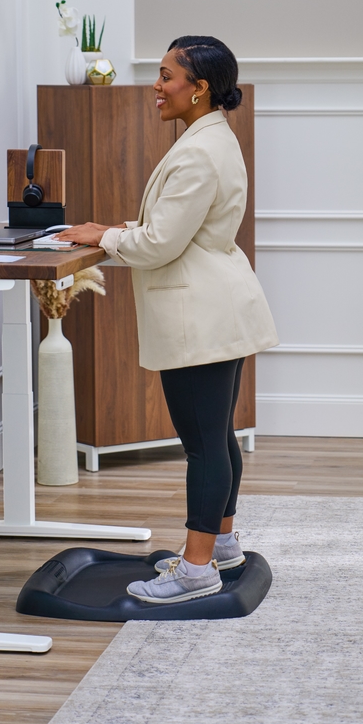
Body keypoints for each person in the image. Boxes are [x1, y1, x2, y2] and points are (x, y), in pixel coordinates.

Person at [56, 36, 278, 604]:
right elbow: (174, 231)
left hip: (200, 315)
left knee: (203, 445)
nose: (155, 86)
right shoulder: (211, 138)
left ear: (199, 88)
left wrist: (103, 237)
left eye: (166, 76)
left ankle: (197, 570)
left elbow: (157, 244)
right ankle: (221, 545)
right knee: (216, 436)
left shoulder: (201, 151)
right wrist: (109, 232)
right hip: (215, 308)